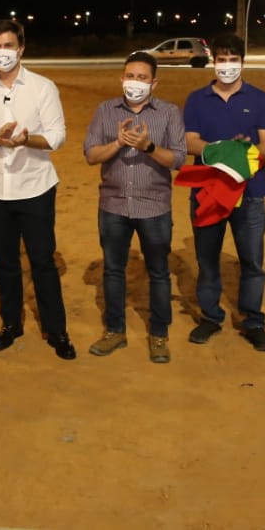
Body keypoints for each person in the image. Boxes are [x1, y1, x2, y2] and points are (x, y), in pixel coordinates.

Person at [0, 19, 75, 360]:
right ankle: (11, 324)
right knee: (5, 262)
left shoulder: (42, 87)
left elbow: (56, 136)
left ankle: (56, 330)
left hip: (35, 186)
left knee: (42, 260)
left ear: (21, 48)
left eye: (9, 46)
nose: (2, 53)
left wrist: (28, 140)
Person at [82, 51, 187, 363]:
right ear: (121, 78)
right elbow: (90, 155)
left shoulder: (168, 112)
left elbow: (179, 159)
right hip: (113, 204)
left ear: (154, 82)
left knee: (158, 272)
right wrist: (118, 143)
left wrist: (148, 147)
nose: (135, 83)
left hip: (154, 206)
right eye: (130, 76)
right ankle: (115, 331)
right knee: (113, 270)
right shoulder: (105, 111)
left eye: (142, 78)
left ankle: (159, 335)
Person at [182, 32, 265, 352]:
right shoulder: (197, 99)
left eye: (232, 60)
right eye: (221, 60)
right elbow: (190, 141)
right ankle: (211, 317)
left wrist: (250, 151)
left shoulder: (260, 99)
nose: (226, 66)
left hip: (249, 192)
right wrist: (221, 150)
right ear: (213, 62)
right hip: (208, 190)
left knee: (252, 260)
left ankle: (253, 321)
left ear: (242, 62)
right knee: (207, 260)